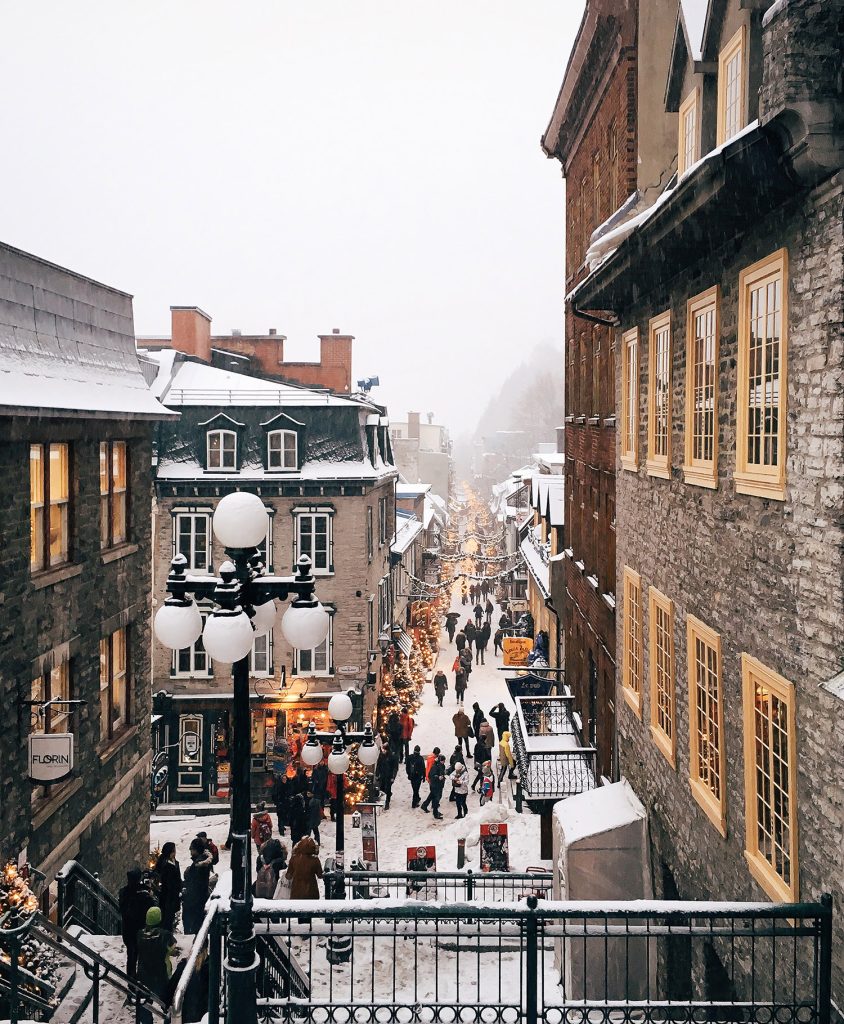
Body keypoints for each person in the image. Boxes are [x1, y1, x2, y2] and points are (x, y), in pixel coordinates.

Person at [119, 868, 156, 979]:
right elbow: (151, 906)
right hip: (140, 928)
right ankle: (140, 976)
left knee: (131, 954)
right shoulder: (144, 893)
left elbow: (122, 908)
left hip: (127, 929)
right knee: (141, 953)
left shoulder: (123, 892)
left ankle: (131, 977)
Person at [136, 905, 177, 1003]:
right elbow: (172, 947)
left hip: (144, 974)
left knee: (144, 1005)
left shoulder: (140, 934)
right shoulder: (165, 935)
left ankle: (144, 1018)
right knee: (166, 1002)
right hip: (161, 973)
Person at [181, 839, 215, 934]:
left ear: (196, 850)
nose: (190, 851)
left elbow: (194, 883)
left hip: (194, 901)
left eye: (191, 849)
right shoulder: (201, 862)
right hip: (199, 899)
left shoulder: (198, 866)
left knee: (194, 927)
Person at [154, 843, 182, 932]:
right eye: (173, 851)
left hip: (173, 896)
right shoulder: (165, 865)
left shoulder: (174, 863)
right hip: (167, 897)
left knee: (170, 918)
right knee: (167, 919)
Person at [376, 741, 399, 810]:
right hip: (382, 775)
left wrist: (393, 777)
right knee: (382, 788)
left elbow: (395, 768)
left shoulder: (392, 757)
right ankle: (385, 798)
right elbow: (378, 765)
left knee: (388, 789)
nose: (383, 751)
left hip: (389, 776)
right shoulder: (381, 756)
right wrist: (377, 774)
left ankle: (387, 802)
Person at [424, 755, 446, 819]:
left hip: (439, 785)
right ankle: (435, 813)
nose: (444, 762)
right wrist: (438, 777)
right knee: (437, 799)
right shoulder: (435, 767)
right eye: (443, 760)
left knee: (432, 796)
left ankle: (425, 805)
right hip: (436, 785)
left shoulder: (441, 766)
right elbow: (432, 776)